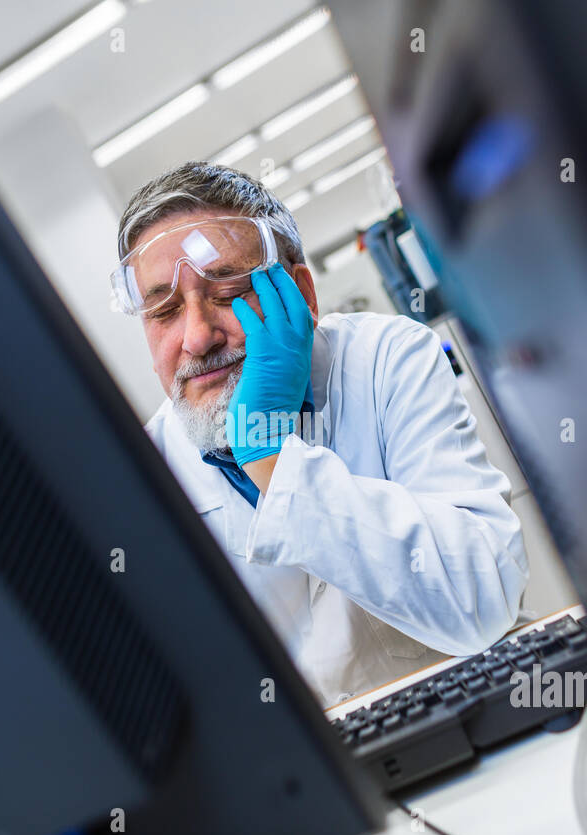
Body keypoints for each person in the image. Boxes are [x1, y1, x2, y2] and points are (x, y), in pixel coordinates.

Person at [112, 161, 528, 706]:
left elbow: (480, 600)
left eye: (228, 291)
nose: (196, 337)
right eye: (164, 310)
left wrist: (268, 456)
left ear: (302, 293)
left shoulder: (388, 359)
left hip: (489, 716)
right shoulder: (142, 475)